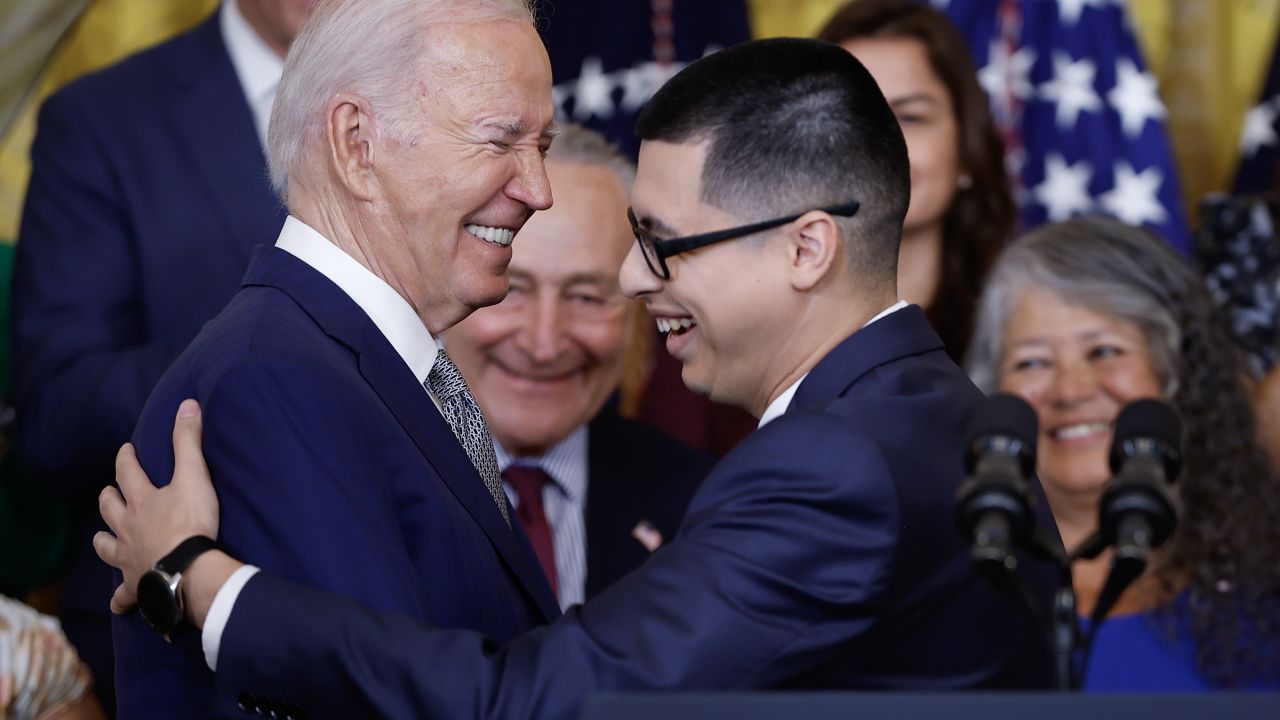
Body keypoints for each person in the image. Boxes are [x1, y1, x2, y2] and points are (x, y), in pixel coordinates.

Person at [95, 36, 1057, 718]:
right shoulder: (930, 419)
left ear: (807, 248)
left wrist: (201, 584)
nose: (637, 281)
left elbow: (534, 705)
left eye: (664, 245)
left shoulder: (838, 465)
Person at [106, 0, 561, 717]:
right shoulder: (277, 382)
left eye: (544, 145)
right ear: (355, 143)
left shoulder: (347, 362)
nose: (539, 189)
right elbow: (382, 700)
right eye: (501, 141)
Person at [10, 2, 306, 709]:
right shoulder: (102, 120)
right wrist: (272, 347)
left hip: (413, 623)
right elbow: (56, 416)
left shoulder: (437, 98)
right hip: (165, 636)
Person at [966, 216, 1280, 689]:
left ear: (1176, 376)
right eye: (1032, 361)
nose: (1070, 390)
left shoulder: (1263, 593)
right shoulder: (938, 599)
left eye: (1105, 351)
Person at [443, 124, 710, 607]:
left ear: (638, 315)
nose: (544, 343)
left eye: (587, 296)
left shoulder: (699, 509)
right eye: (511, 289)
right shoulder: (358, 483)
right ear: (443, 289)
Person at [817, 0, 1015, 364]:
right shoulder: (733, 334)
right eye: (850, 116)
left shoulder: (1024, 330)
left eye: (909, 116)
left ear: (966, 151)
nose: (879, 142)